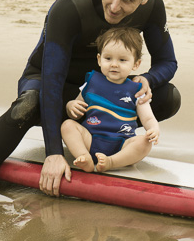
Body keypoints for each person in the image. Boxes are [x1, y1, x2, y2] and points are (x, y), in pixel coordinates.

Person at [0, 0, 180, 198]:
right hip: (52, 82)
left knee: (168, 97)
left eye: (128, 0)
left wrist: (147, 79)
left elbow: (168, 62)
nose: (115, 7)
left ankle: (108, 139)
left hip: (103, 88)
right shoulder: (71, 7)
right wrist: (53, 153)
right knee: (29, 103)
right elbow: (52, 80)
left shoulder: (152, 7)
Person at [62, 27, 160, 173]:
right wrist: (71, 106)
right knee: (67, 125)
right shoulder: (91, 82)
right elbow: (75, 113)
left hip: (123, 144)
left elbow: (147, 118)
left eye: (122, 60)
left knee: (144, 142)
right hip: (91, 140)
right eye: (108, 58)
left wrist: (153, 129)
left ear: (136, 64)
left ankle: (111, 162)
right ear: (99, 59)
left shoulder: (137, 90)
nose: (114, 64)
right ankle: (84, 157)